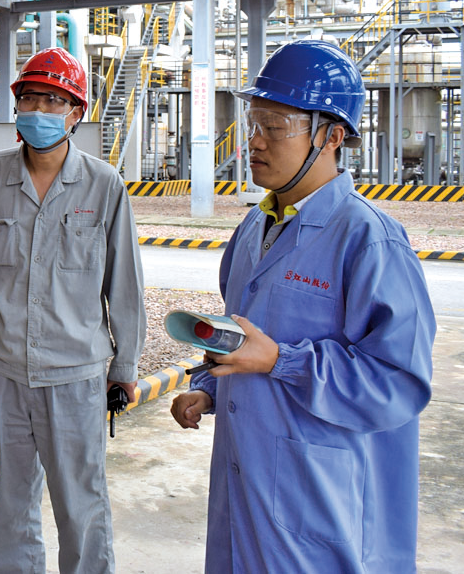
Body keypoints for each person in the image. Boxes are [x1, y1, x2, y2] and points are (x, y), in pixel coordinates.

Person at [169, 39, 436, 574]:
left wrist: (281, 361)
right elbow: (244, 341)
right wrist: (209, 390)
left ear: (331, 136)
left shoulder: (370, 241)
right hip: (246, 487)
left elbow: (399, 383)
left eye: (275, 126)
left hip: (318, 498)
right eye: (254, 123)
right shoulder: (253, 228)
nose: (255, 141)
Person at [0, 47, 145, 574]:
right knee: (12, 503)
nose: (39, 110)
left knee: (81, 504)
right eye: (31, 98)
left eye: (54, 101)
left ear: (76, 112)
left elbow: (124, 284)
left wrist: (126, 365)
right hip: (5, 371)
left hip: (75, 376)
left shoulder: (103, 185)